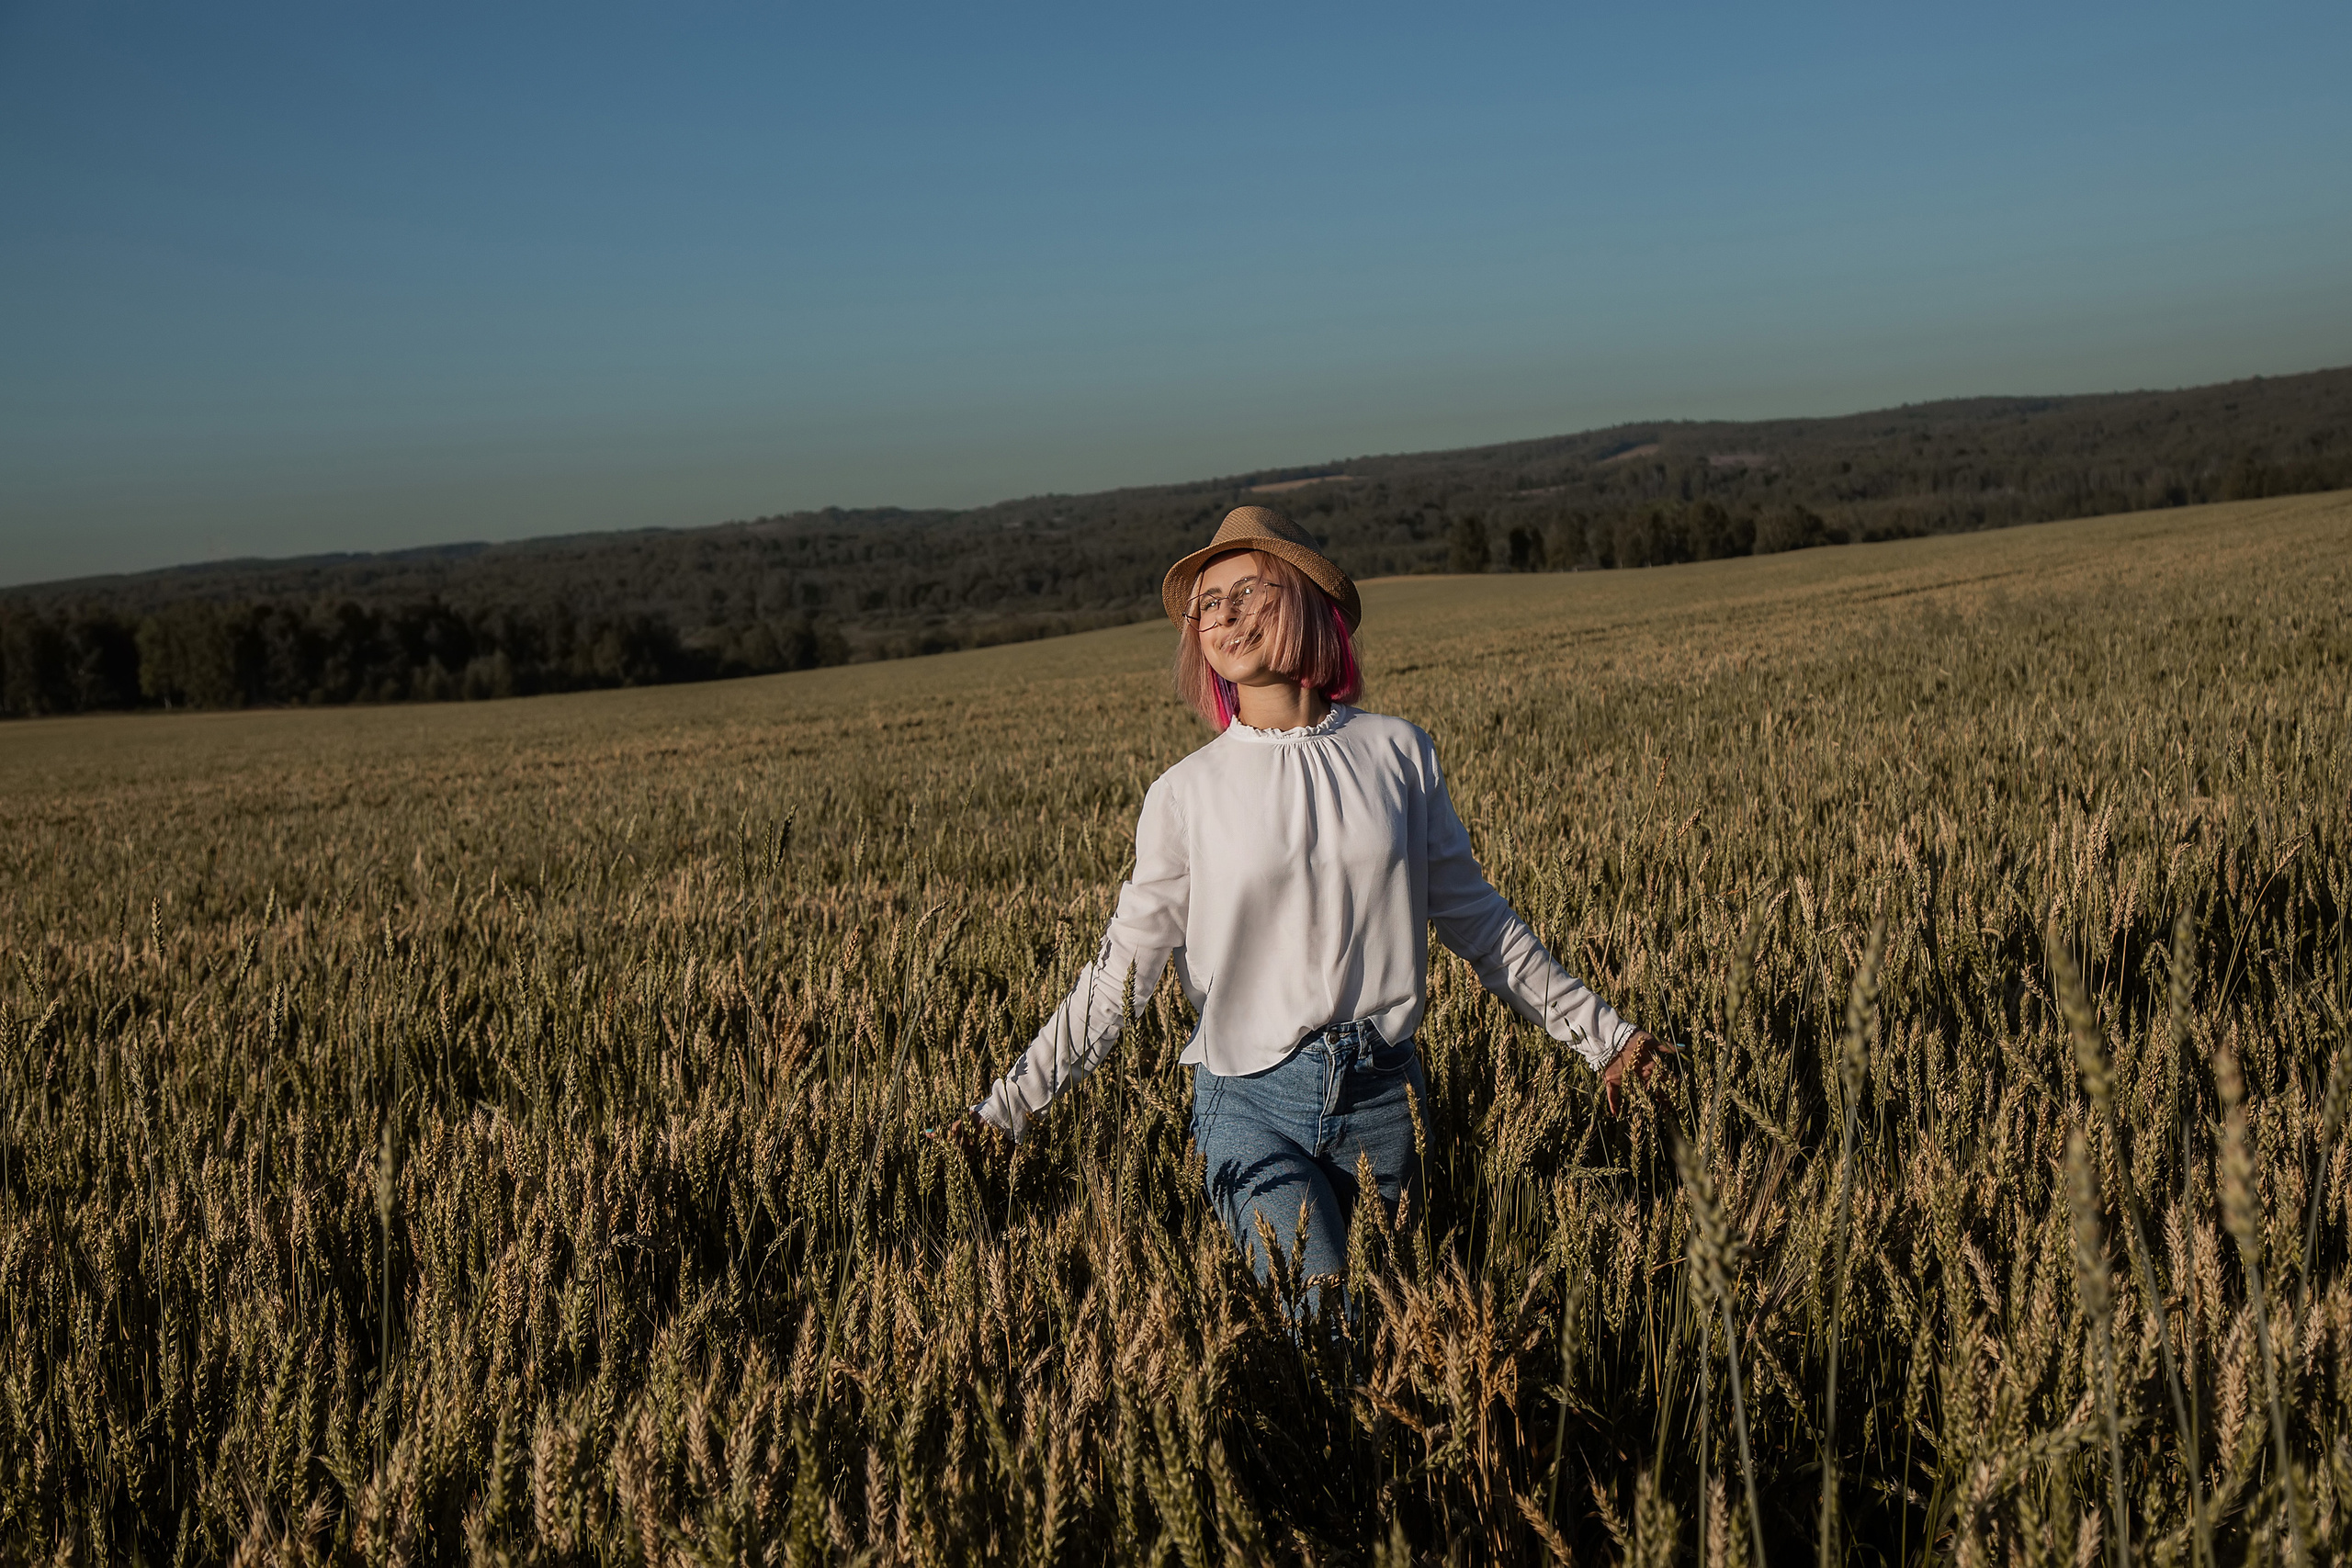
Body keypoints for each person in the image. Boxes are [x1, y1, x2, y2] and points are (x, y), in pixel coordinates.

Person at [940, 505, 1672, 1290]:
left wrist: (1610, 1039)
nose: (1224, 613)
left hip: (1387, 1101)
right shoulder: (1185, 793)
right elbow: (1120, 977)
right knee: (1323, 1308)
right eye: (1207, 603)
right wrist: (1004, 1109)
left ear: (1305, 598)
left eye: (1247, 590)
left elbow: (1480, 924)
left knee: (1390, 1323)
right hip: (1250, 1105)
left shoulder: (1399, 753)